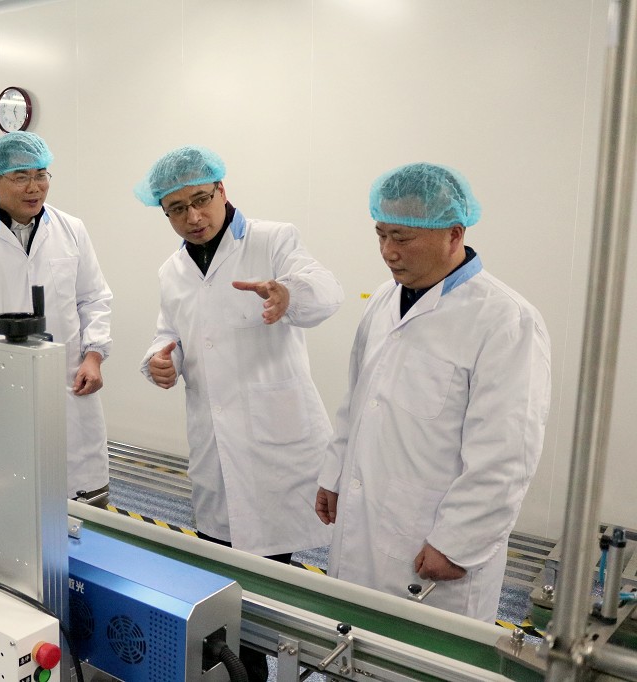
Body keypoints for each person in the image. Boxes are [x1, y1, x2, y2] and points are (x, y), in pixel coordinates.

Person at [315, 162, 551, 623]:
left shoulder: (505, 320)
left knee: (426, 651)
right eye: (381, 234)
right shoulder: (384, 300)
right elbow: (357, 400)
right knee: (349, 638)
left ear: (453, 234)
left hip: (431, 538)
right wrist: (334, 474)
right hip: (364, 517)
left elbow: (507, 452)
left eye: (402, 238)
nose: (388, 251)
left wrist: (458, 543)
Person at [136, 145, 342, 560]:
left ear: (221, 190)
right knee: (217, 556)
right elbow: (171, 333)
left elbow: (327, 291)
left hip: (274, 439)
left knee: (275, 566)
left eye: (201, 200)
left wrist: (290, 294)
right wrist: (162, 360)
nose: (193, 217)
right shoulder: (171, 270)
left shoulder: (272, 239)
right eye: (177, 209)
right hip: (212, 439)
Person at [0, 132, 112, 500]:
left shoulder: (72, 230)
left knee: (83, 496)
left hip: (68, 381)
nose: (34, 187)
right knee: (11, 498)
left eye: (41, 175)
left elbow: (94, 298)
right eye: (21, 177)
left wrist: (94, 356)